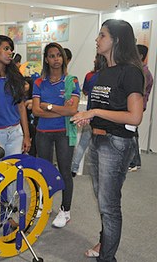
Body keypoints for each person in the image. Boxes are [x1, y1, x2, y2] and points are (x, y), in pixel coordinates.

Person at [72, 19, 144, 261]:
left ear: (116, 40)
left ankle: (107, 257)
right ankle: (105, 245)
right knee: (104, 203)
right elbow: (107, 107)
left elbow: (134, 117)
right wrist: (89, 119)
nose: (97, 39)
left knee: (109, 206)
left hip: (116, 144)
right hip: (98, 140)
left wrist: (94, 112)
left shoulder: (131, 72)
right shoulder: (103, 73)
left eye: (102, 35)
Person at [32, 42, 80, 228]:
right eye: (51, 56)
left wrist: (49, 106)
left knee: (64, 171)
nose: (56, 59)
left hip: (63, 132)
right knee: (43, 171)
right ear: (46, 59)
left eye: (58, 55)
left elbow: (73, 110)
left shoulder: (71, 81)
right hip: (43, 132)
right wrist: (62, 109)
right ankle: (44, 204)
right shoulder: (39, 82)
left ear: (64, 58)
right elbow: (36, 111)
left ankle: (65, 211)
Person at [0, 35, 31, 158]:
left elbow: (21, 107)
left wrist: (26, 135)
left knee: (13, 173)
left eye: (11, 49)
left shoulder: (15, 78)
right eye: (6, 49)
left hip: (15, 133)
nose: (10, 52)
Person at [71, 55, 104, 177]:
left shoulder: (90, 76)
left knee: (82, 144)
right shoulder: (109, 77)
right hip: (104, 118)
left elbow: (84, 91)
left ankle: (74, 168)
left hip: (90, 115)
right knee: (102, 148)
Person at [128, 44, 154, 172]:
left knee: (131, 133)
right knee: (133, 133)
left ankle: (134, 161)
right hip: (136, 106)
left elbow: (138, 92)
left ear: (141, 56)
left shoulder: (144, 73)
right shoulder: (141, 71)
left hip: (136, 106)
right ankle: (135, 161)